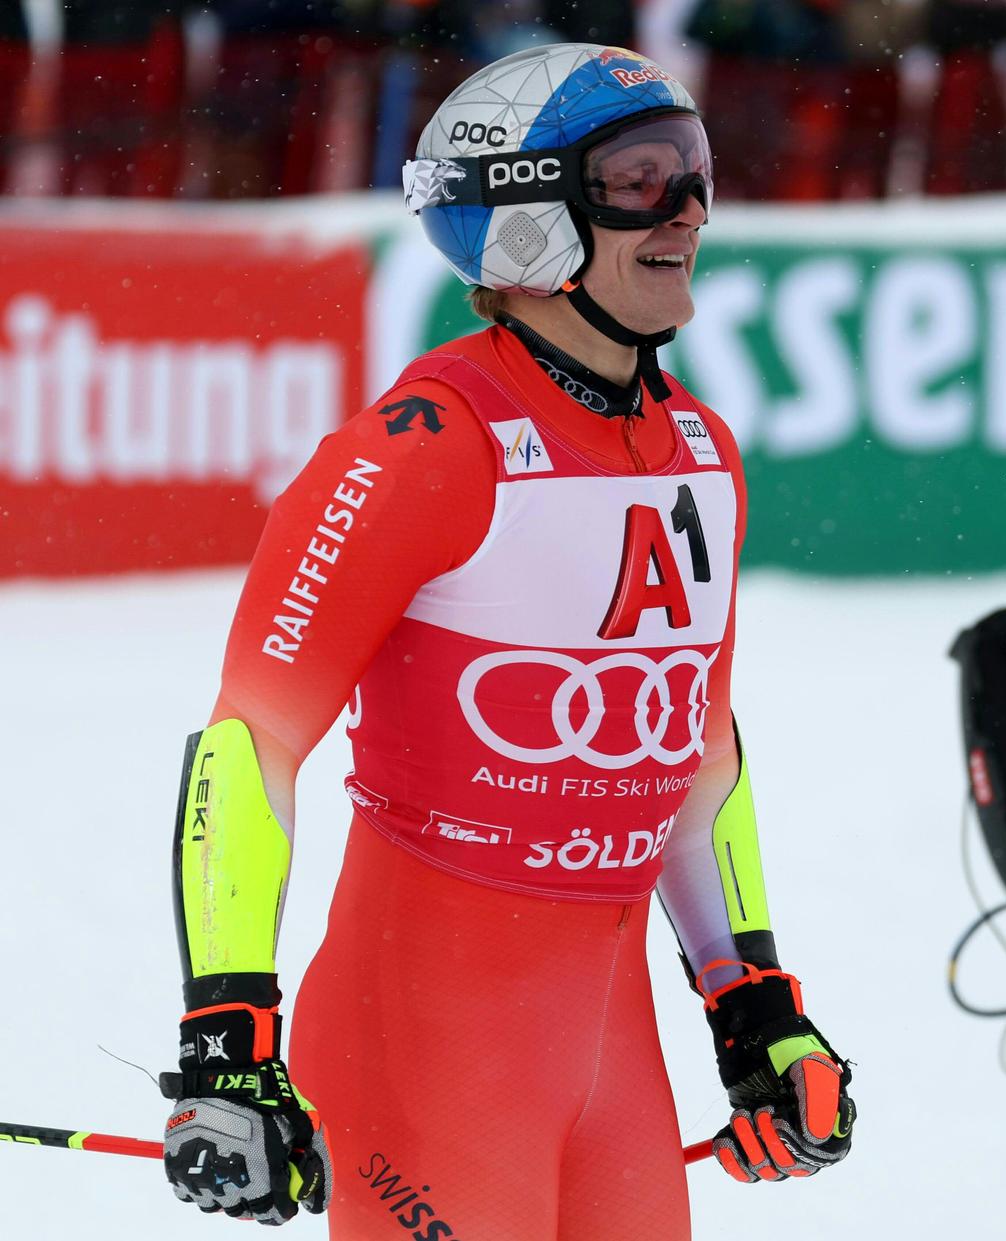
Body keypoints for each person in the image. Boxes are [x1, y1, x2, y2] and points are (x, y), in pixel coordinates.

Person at [156, 43, 856, 1236]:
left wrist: (751, 997)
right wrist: (227, 1033)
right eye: (638, 178)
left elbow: (697, 756)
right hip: (424, 1037)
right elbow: (249, 738)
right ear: (530, 221)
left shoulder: (703, 452)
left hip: (604, 1041)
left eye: (691, 169)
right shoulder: (428, 443)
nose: (685, 207)